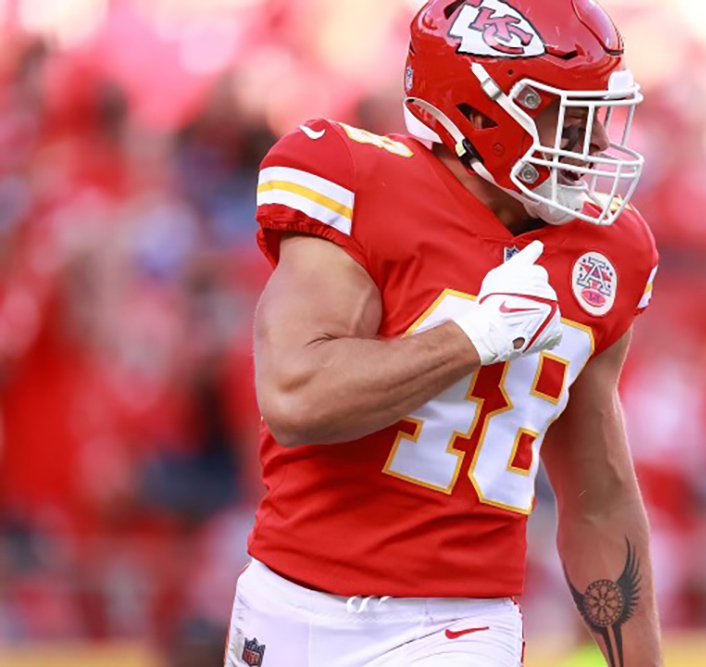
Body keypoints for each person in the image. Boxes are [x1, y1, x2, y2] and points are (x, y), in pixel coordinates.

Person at [224, 1, 661, 665]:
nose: (595, 143)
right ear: (481, 113)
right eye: (564, 114)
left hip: (460, 620)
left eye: (597, 114)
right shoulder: (355, 179)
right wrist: (470, 339)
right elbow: (295, 400)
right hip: (290, 605)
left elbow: (599, 499)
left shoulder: (610, 251)